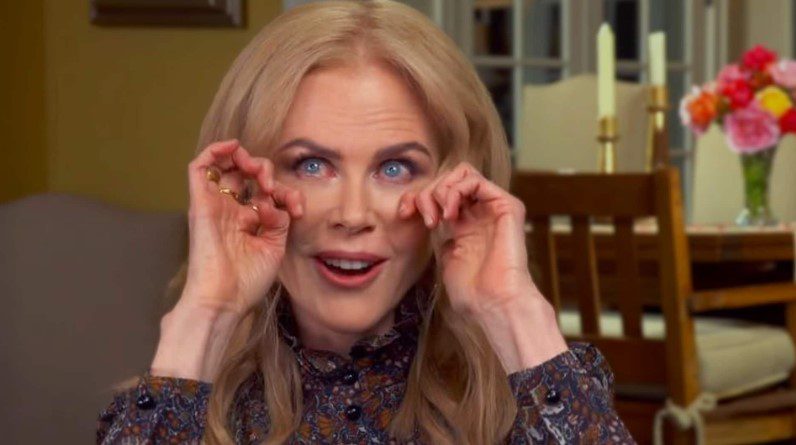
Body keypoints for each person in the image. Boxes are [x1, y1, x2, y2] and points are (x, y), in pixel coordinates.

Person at [96, 1, 635, 444]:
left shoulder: (539, 394)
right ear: (246, 185)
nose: (353, 216)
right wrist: (205, 316)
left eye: (395, 168)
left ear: (455, 184)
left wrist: (514, 313)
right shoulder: (180, 401)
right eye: (312, 165)